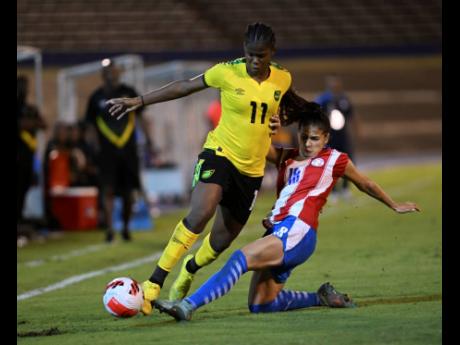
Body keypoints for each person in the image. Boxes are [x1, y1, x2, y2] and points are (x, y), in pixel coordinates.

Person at [153, 99, 420, 321]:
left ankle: (187, 306)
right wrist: (266, 128)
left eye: (314, 138)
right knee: (261, 305)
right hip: (280, 231)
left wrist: (394, 205)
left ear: (326, 138)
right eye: (303, 137)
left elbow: (366, 184)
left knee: (239, 259)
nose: (307, 143)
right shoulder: (288, 157)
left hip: (298, 230)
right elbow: (258, 147)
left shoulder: (336, 159)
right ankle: (320, 296)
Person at [107, 23, 294, 315]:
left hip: (252, 171)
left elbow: (280, 108)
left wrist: (279, 121)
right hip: (219, 154)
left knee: (221, 240)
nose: (255, 61)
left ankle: (189, 269)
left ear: (273, 53)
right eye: (249, 55)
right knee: (200, 212)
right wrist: (141, 100)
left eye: (261, 56)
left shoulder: (282, 78)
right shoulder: (227, 71)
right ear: (243, 50)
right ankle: (154, 283)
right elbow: (185, 86)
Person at [84, 59, 154, 242]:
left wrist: (149, 140)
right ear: (102, 74)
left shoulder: (129, 92)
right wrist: (92, 148)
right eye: (107, 71)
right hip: (106, 153)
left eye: (114, 71)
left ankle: (125, 227)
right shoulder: (96, 97)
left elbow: (141, 117)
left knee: (128, 192)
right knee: (107, 189)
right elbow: (90, 125)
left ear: (119, 73)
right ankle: (109, 229)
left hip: (128, 151)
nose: (111, 74)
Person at [315, 75, 359, 200]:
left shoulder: (344, 99)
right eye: (333, 84)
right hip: (330, 137)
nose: (335, 86)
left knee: (349, 161)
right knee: (330, 164)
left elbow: (352, 115)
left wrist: (357, 130)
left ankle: (345, 189)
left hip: (343, 136)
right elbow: (316, 115)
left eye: (337, 84)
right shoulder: (323, 99)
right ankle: (333, 190)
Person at [17, 75, 47, 230]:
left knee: (25, 185)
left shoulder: (31, 109)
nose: (22, 89)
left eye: (24, 86)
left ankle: (20, 217)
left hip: (28, 155)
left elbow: (43, 124)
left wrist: (28, 123)